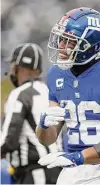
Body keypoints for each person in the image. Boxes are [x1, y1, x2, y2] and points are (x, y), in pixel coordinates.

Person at [36, 7, 100, 184]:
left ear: (91, 46)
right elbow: (48, 138)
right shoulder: (56, 74)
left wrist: (78, 157)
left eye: (70, 42)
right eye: (62, 39)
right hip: (71, 170)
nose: (61, 46)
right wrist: (43, 124)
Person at [1, 43, 62, 184]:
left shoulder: (19, 94)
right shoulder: (49, 92)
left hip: (35, 172)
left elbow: (9, 141)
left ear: (18, 67)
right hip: (58, 171)